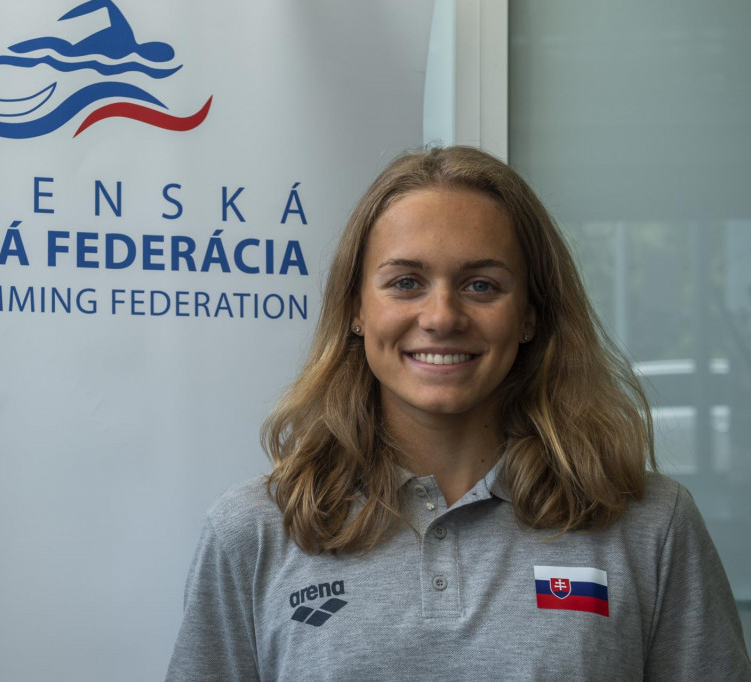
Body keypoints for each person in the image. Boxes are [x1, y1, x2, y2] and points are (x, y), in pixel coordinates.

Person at [165, 146, 751, 681]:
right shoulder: (255, 532)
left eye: (480, 285)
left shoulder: (648, 525)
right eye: (406, 282)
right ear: (356, 310)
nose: (442, 315)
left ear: (530, 315)